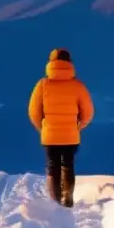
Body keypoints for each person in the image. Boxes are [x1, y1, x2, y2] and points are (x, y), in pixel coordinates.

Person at [27, 48, 94, 207]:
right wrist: (79, 125)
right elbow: (89, 111)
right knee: (68, 164)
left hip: (50, 135)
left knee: (53, 165)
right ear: (69, 63)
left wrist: (42, 128)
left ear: (50, 63)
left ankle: (55, 201)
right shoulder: (78, 86)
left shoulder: (42, 85)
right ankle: (67, 197)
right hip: (71, 135)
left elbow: (33, 111)